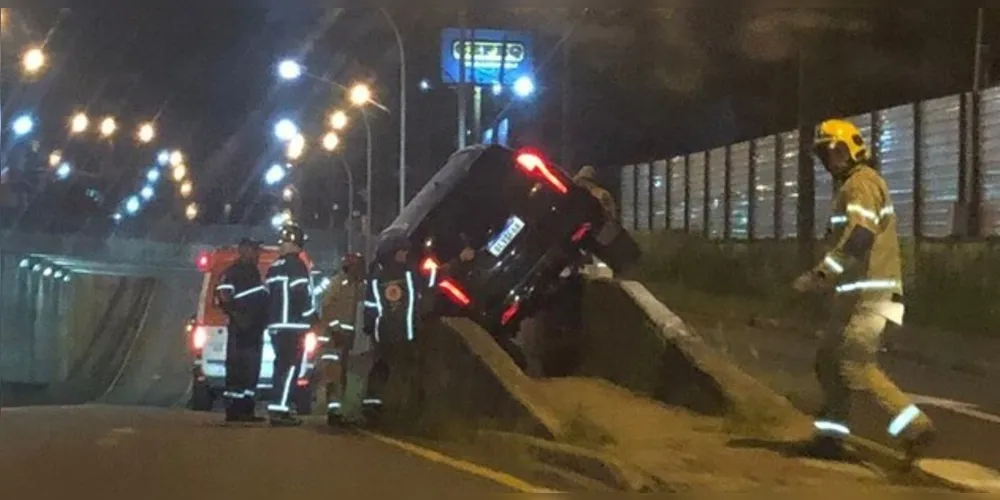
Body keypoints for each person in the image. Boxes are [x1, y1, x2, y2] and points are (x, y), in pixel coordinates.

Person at [792, 118, 936, 461]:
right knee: (828, 361)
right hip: (855, 295)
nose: (831, 159)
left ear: (854, 147)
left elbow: (860, 236)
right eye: (826, 153)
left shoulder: (861, 184)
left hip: (870, 296)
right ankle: (830, 438)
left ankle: (914, 426)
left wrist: (822, 275)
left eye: (836, 150)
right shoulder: (852, 186)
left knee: (854, 365)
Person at [362, 230, 475, 419]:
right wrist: (459, 260)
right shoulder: (408, 274)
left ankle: (372, 408)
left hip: (383, 334)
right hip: (406, 333)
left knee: (380, 370)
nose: (406, 254)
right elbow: (435, 276)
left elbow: (370, 308)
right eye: (403, 251)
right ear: (395, 252)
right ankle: (409, 413)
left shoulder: (376, 277)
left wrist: (370, 329)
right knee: (412, 371)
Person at [264, 223, 318, 426]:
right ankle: (281, 409)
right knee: (290, 368)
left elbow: (270, 296)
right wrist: (312, 318)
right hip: (293, 326)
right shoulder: (297, 266)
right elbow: (301, 295)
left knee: (280, 367)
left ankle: (276, 406)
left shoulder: (274, 267)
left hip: (276, 326)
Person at [215, 238, 269, 422]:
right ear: (243, 250)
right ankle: (234, 410)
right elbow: (223, 293)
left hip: (255, 329)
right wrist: (237, 315)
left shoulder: (253, 273)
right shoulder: (234, 272)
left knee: (251, 371)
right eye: (254, 250)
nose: (257, 254)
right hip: (241, 331)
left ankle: (247, 409)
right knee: (238, 369)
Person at [317, 252, 366, 425]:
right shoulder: (338, 283)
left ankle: (339, 411)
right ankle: (334, 412)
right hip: (333, 339)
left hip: (346, 339)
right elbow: (327, 308)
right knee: (334, 375)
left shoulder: (356, 286)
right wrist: (336, 330)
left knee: (342, 376)